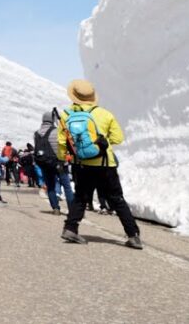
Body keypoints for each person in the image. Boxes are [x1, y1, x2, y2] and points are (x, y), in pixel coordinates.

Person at [58, 79, 142, 250]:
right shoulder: (104, 114)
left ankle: (70, 228)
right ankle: (133, 235)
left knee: (81, 197)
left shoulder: (66, 115)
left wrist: (65, 158)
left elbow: (62, 143)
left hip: (80, 164)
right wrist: (99, 145)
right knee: (116, 199)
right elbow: (118, 138)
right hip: (104, 164)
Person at [34, 109, 74, 215]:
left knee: (50, 186)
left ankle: (55, 208)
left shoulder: (37, 133)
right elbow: (64, 145)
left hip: (45, 163)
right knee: (66, 187)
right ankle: (72, 210)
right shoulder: (57, 131)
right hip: (59, 163)